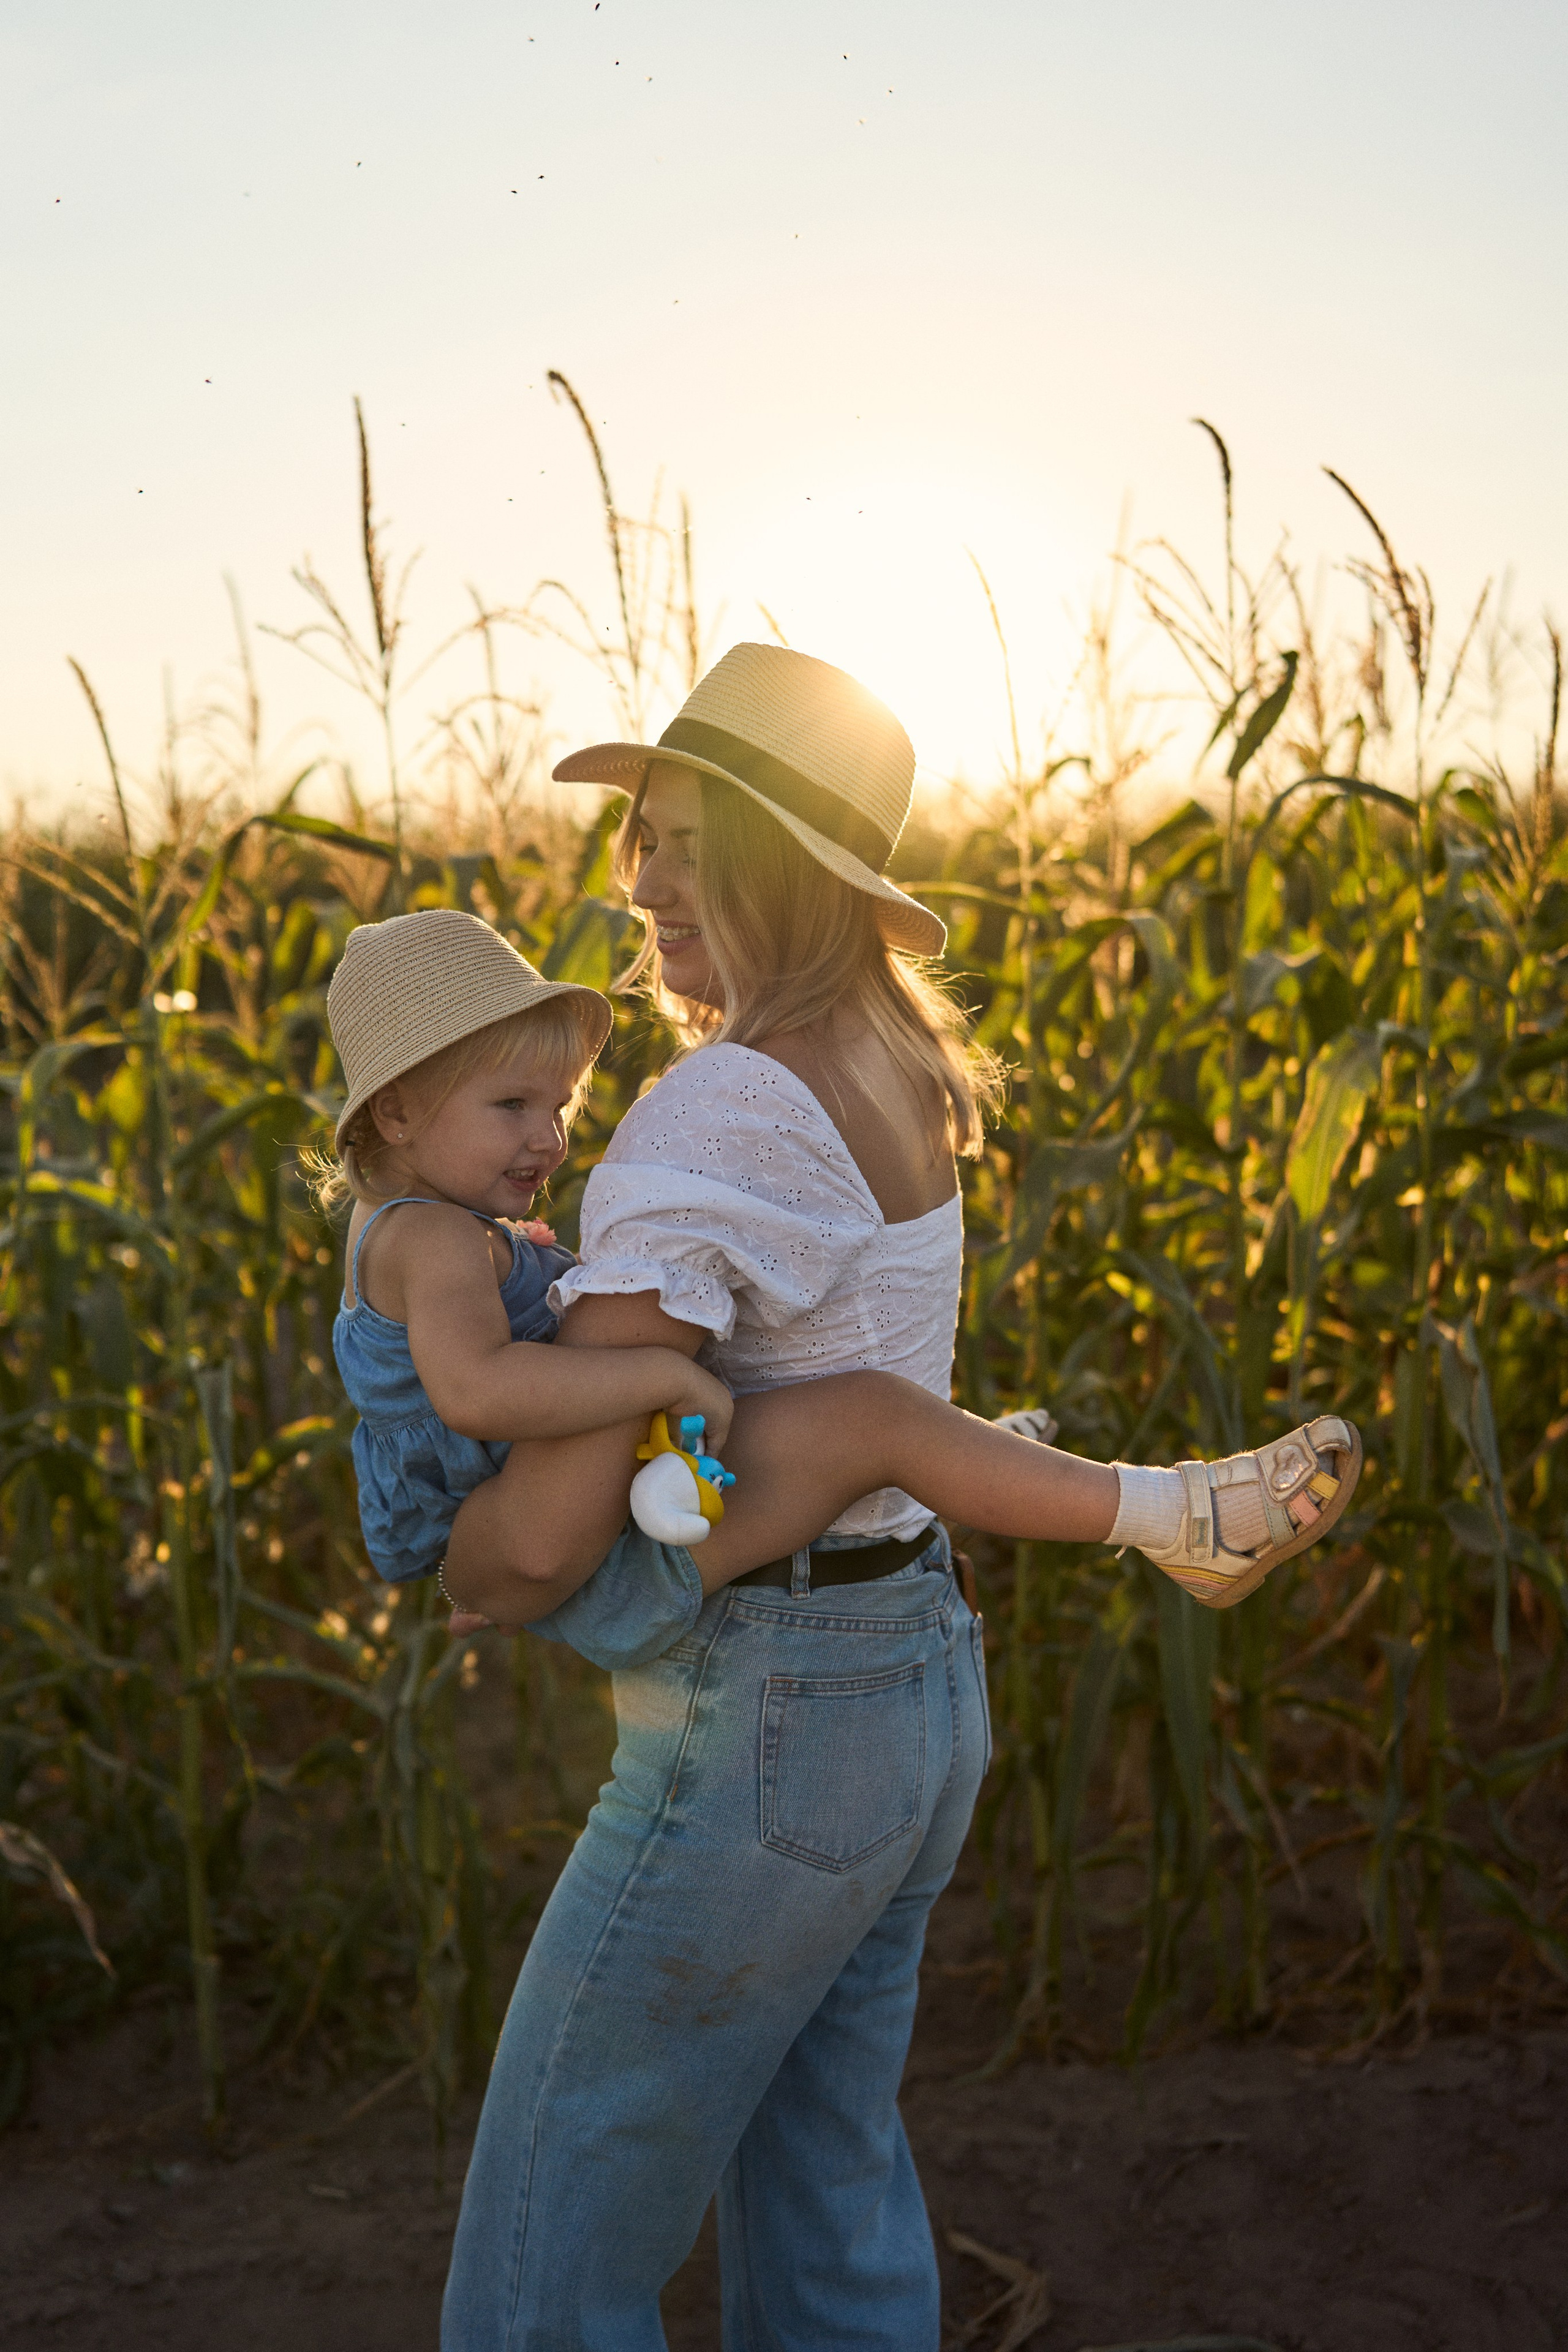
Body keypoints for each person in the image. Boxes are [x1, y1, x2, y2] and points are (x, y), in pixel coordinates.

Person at [433, 644, 1362, 2351]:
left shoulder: (722, 1104)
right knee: (826, 2201)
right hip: (918, 1683)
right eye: (647, 835)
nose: (647, 882)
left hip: (765, 1729)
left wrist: (471, 1560)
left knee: (548, 2253)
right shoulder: (893, 1060)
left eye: (702, 845)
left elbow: (557, 1531)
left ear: (802, 871)